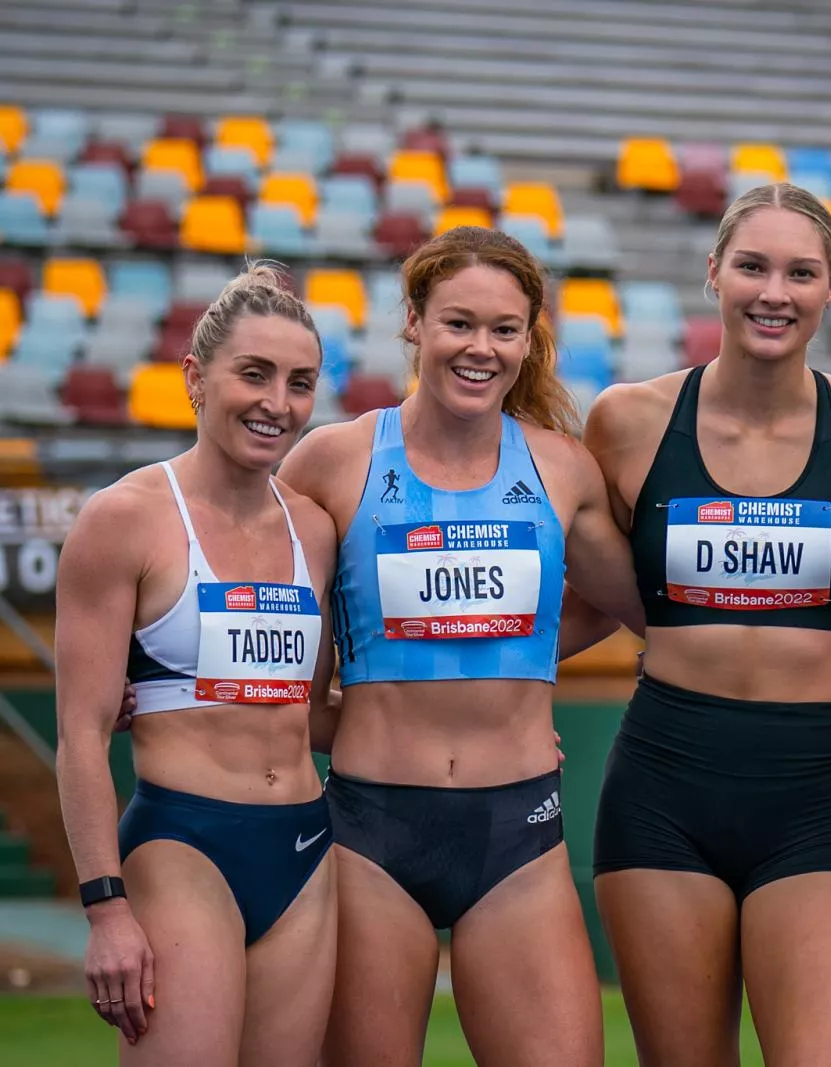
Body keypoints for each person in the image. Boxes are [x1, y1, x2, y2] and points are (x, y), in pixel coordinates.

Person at [567, 181, 831, 1067]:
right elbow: (592, 598)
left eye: (799, 271)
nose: (772, 291)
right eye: (752, 266)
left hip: (811, 792)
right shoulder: (627, 421)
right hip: (662, 789)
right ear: (714, 274)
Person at [278, 227, 644, 1067]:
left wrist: (516, 673)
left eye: (504, 328)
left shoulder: (561, 469)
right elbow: (277, 652)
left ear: (529, 338)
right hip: (369, 827)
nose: (481, 347)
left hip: (517, 828)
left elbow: (640, 610)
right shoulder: (332, 463)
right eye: (458, 323)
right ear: (414, 323)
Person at [55, 265, 338, 1065]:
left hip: (305, 851)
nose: (276, 402)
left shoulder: (316, 530)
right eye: (253, 373)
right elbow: (79, 733)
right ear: (195, 376)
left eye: (300, 382)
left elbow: (314, 711)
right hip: (184, 845)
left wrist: (493, 728)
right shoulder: (125, 520)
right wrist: (106, 907)